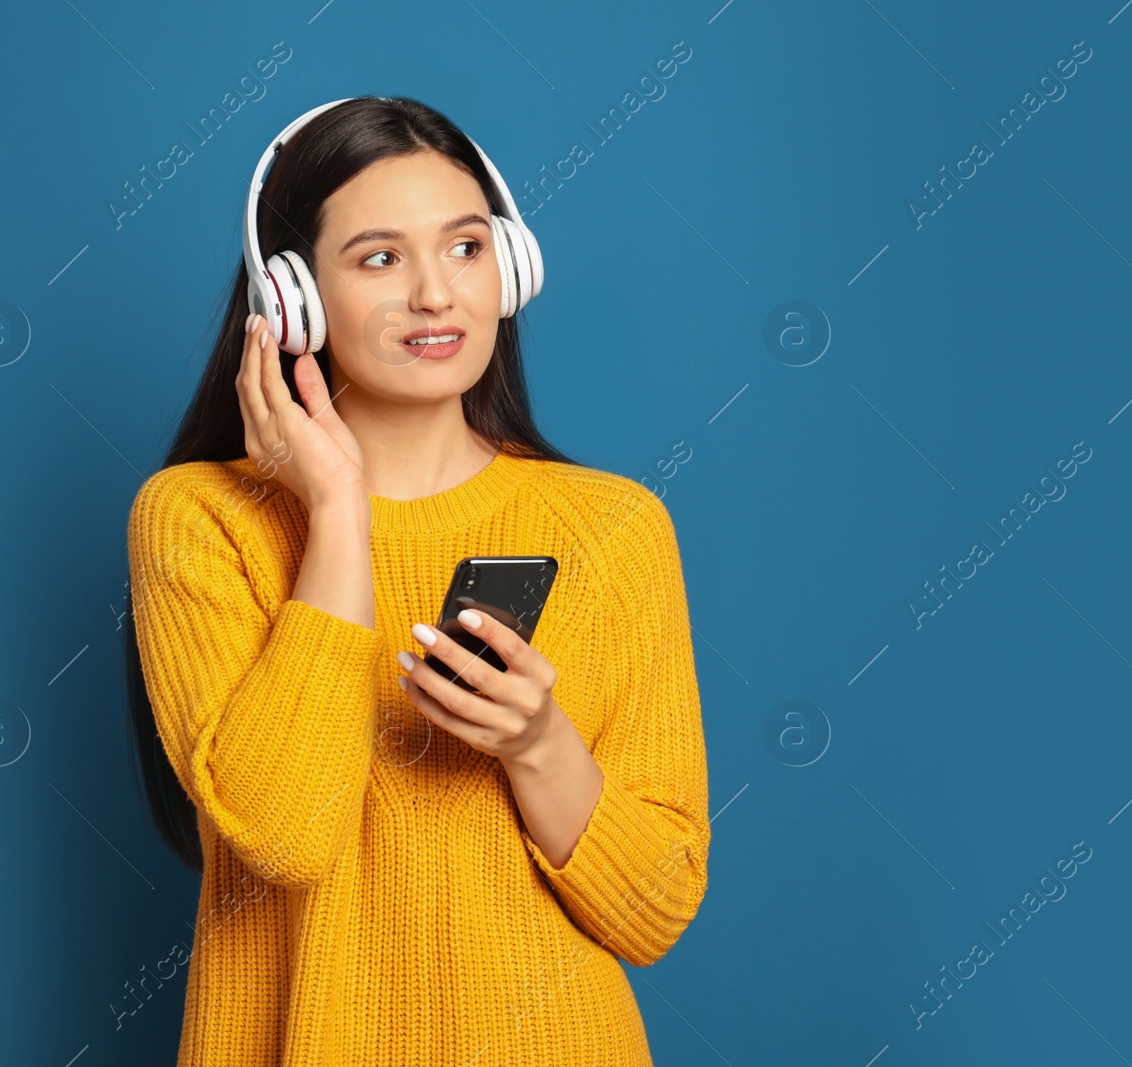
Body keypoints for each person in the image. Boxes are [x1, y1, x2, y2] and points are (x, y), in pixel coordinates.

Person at [122, 95, 710, 1066]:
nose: (437, 294)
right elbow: (285, 834)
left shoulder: (614, 528)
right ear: (291, 298)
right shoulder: (199, 518)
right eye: (381, 257)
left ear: (510, 268)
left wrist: (535, 741)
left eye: (467, 248)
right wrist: (338, 513)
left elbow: (652, 912)